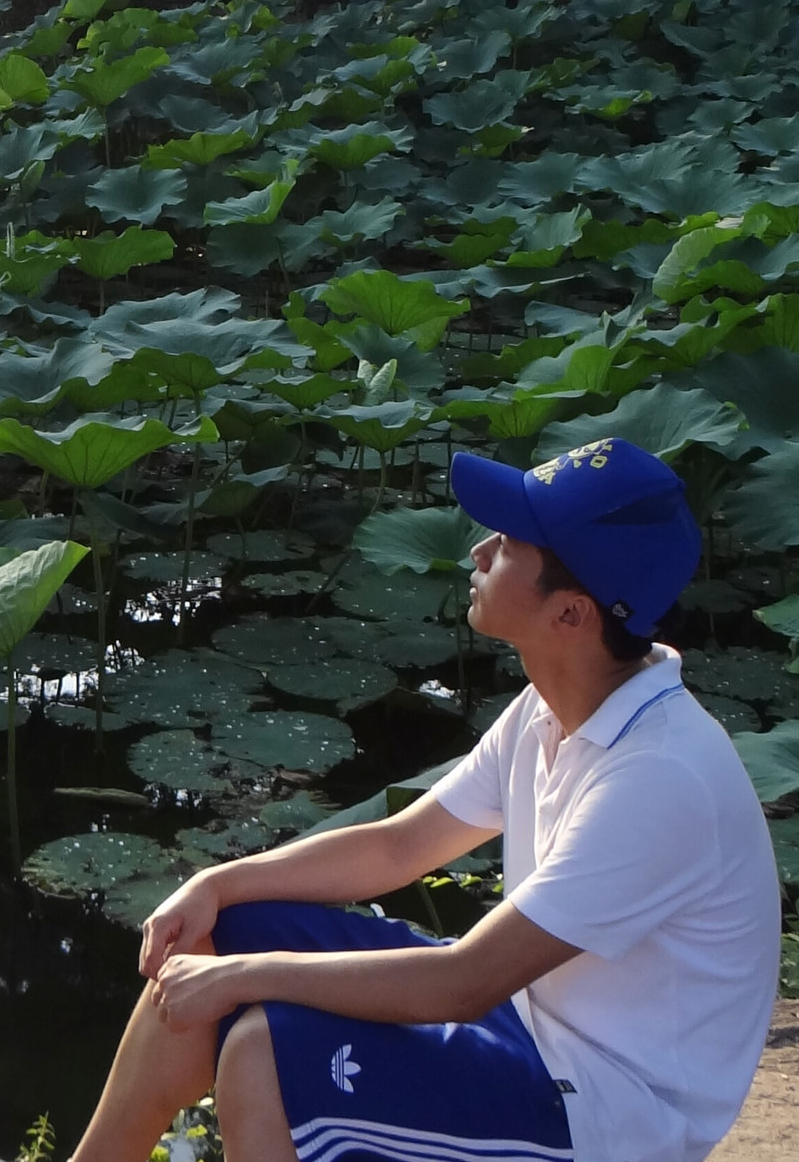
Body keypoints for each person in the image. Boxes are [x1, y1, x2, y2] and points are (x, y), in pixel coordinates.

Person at [68, 437, 779, 1162]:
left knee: (263, 1051)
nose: (477, 552)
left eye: (506, 545)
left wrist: (240, 981)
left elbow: (463, 983)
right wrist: (216, 884)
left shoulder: (660, 776)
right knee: (216, 931)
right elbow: (401, 845)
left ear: (571, 614)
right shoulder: (555, 704)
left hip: (605, 1109)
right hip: (529, 1021)